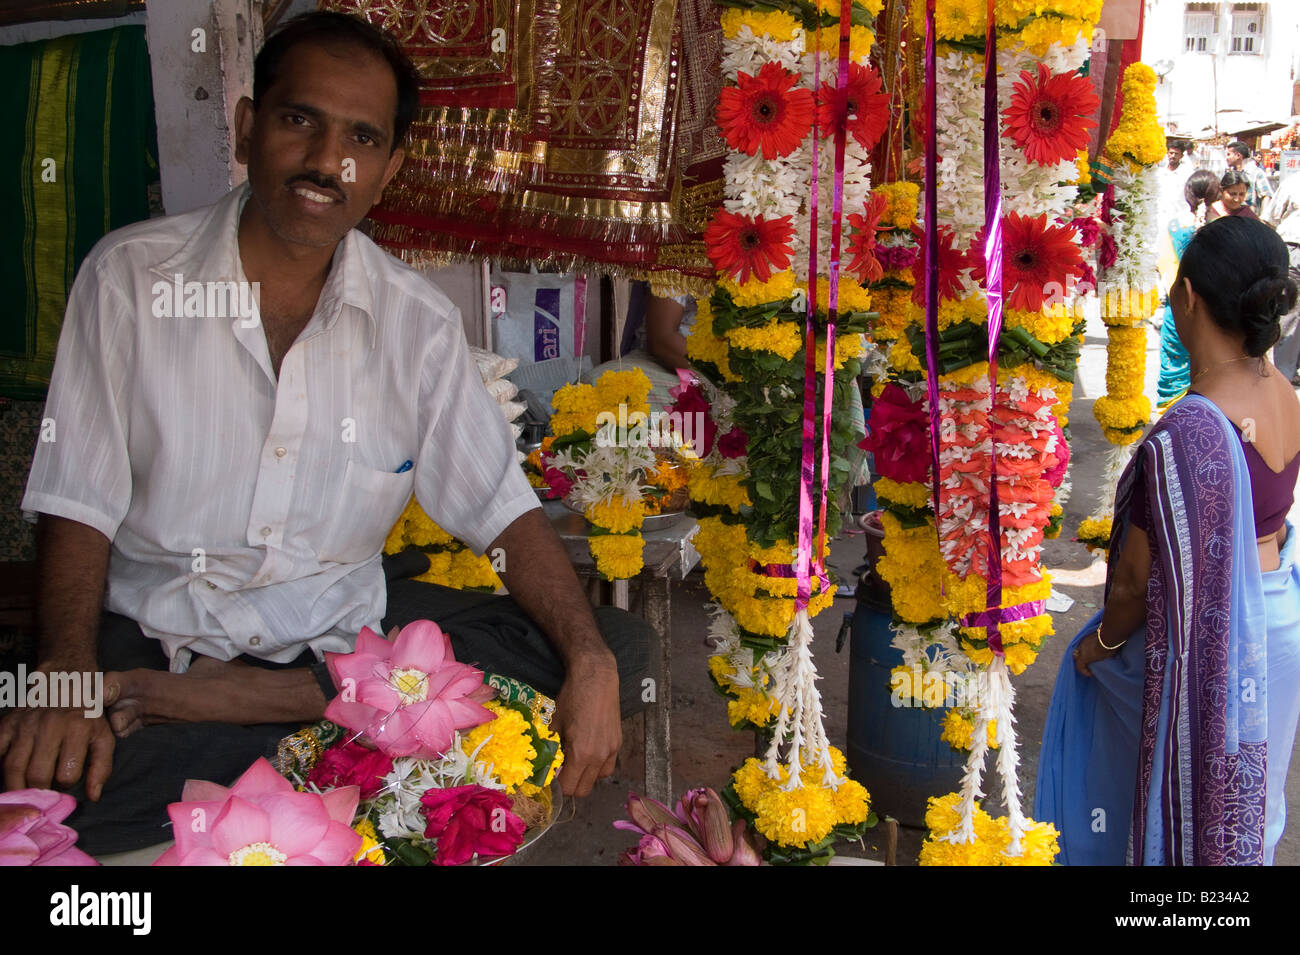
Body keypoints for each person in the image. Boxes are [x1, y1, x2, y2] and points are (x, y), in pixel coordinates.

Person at [0, 11, 649, 854]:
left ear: (388, 167)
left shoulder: (414, 322)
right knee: (53, 797)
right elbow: (77, 502)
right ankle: (317, 746)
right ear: (245, 127)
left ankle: (276, 726)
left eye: (361, 136)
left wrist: (591, 663)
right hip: (160, 639)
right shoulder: (130, 278)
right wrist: (64, 672)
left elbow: (502, 511)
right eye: (299, 119)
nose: (325, 160)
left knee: (616, 650)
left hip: (341, 652)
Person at [1037, 216, 1300, 865]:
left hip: (1215, 641)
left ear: (1188, 296)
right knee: (1250, 804)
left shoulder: (1189, 430)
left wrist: (1097, 644)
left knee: (1182, 804)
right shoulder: (1287, 396)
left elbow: (1131, 582)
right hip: (1280, 624)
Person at [1155, 170, 1220, 404]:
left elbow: (1164, 266)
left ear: (1187, 194)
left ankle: (1173, 420)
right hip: (1213, 312)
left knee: (1173, 367)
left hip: (1178, 309)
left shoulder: (1174, 226)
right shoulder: (1222, 228)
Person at [1263, 172, 1300, 385]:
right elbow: (1270, 219)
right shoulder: (1293, 181)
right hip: (1294, 249)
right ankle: (1283, 375)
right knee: (1291, 312)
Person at [1156, 138, 1196, 228]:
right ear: (1167, 153)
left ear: (1181, 156)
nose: (1173, 156)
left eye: (1176, 154)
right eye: (1171, 153)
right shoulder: (1159, 173)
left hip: (1180, 219)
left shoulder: (1188, 173)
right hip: (1161, 218)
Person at [1225, 140, 1274, 215]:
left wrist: (1262, 219)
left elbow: (1267, 196)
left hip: (1248, 219)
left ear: (1238, 156)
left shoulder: (1256, 172)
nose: (1226, 158)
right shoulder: (1230, 173)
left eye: (1228, 154)